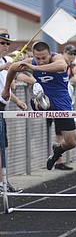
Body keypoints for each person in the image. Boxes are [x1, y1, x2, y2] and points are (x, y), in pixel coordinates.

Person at [2, 41, 76, 171]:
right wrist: (6, 88)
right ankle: (39, 101)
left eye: (44, 58)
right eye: (38, 58)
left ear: (50, 54)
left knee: (71, 142)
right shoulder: (30, 62)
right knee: (43, 103)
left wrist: (34, 68)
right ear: (33, 56)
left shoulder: (57, 58)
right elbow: (13, 68)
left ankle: (57, 151)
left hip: (62, 102)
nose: (41, 61)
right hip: (44, 99)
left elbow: (62, 67)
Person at [0, 28, 27, 192]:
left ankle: (3, 181)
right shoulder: (3, 63)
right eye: (2, 43)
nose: (6, 46)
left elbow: (4, 89)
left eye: (7, 43)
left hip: (3, 106)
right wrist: (3, 67)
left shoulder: (5, 60)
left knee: (3, 145)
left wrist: (16, 101)